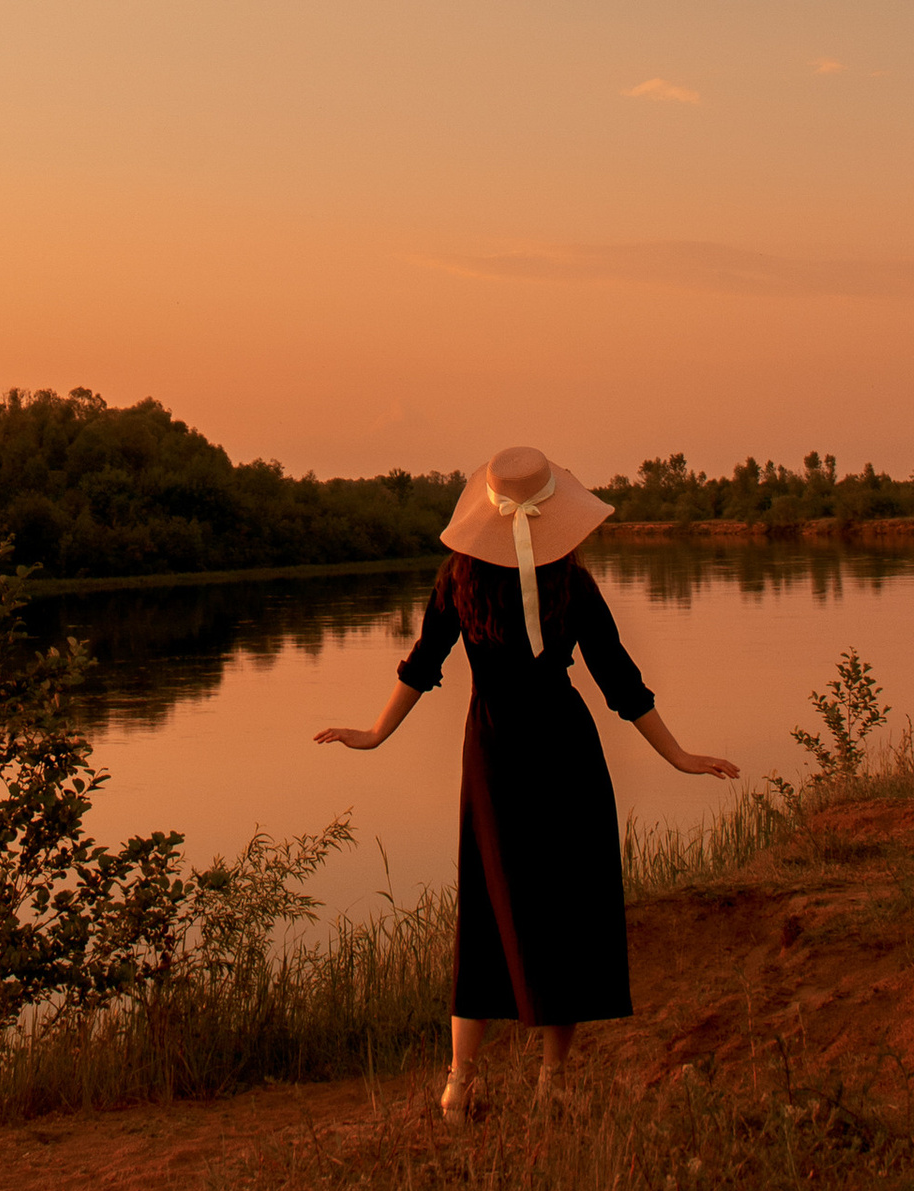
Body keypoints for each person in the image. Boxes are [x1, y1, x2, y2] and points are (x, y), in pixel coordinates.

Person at [315, 442, 738, 1119]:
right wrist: (677, 754)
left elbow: (425, 665)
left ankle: (465, 1082)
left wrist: (374, 734)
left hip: (497, 746)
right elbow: (617, 681)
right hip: (557, 746)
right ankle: (545, 1078)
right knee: (554, 908)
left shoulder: (462, 579)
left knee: (495, 905)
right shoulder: (568, 581)